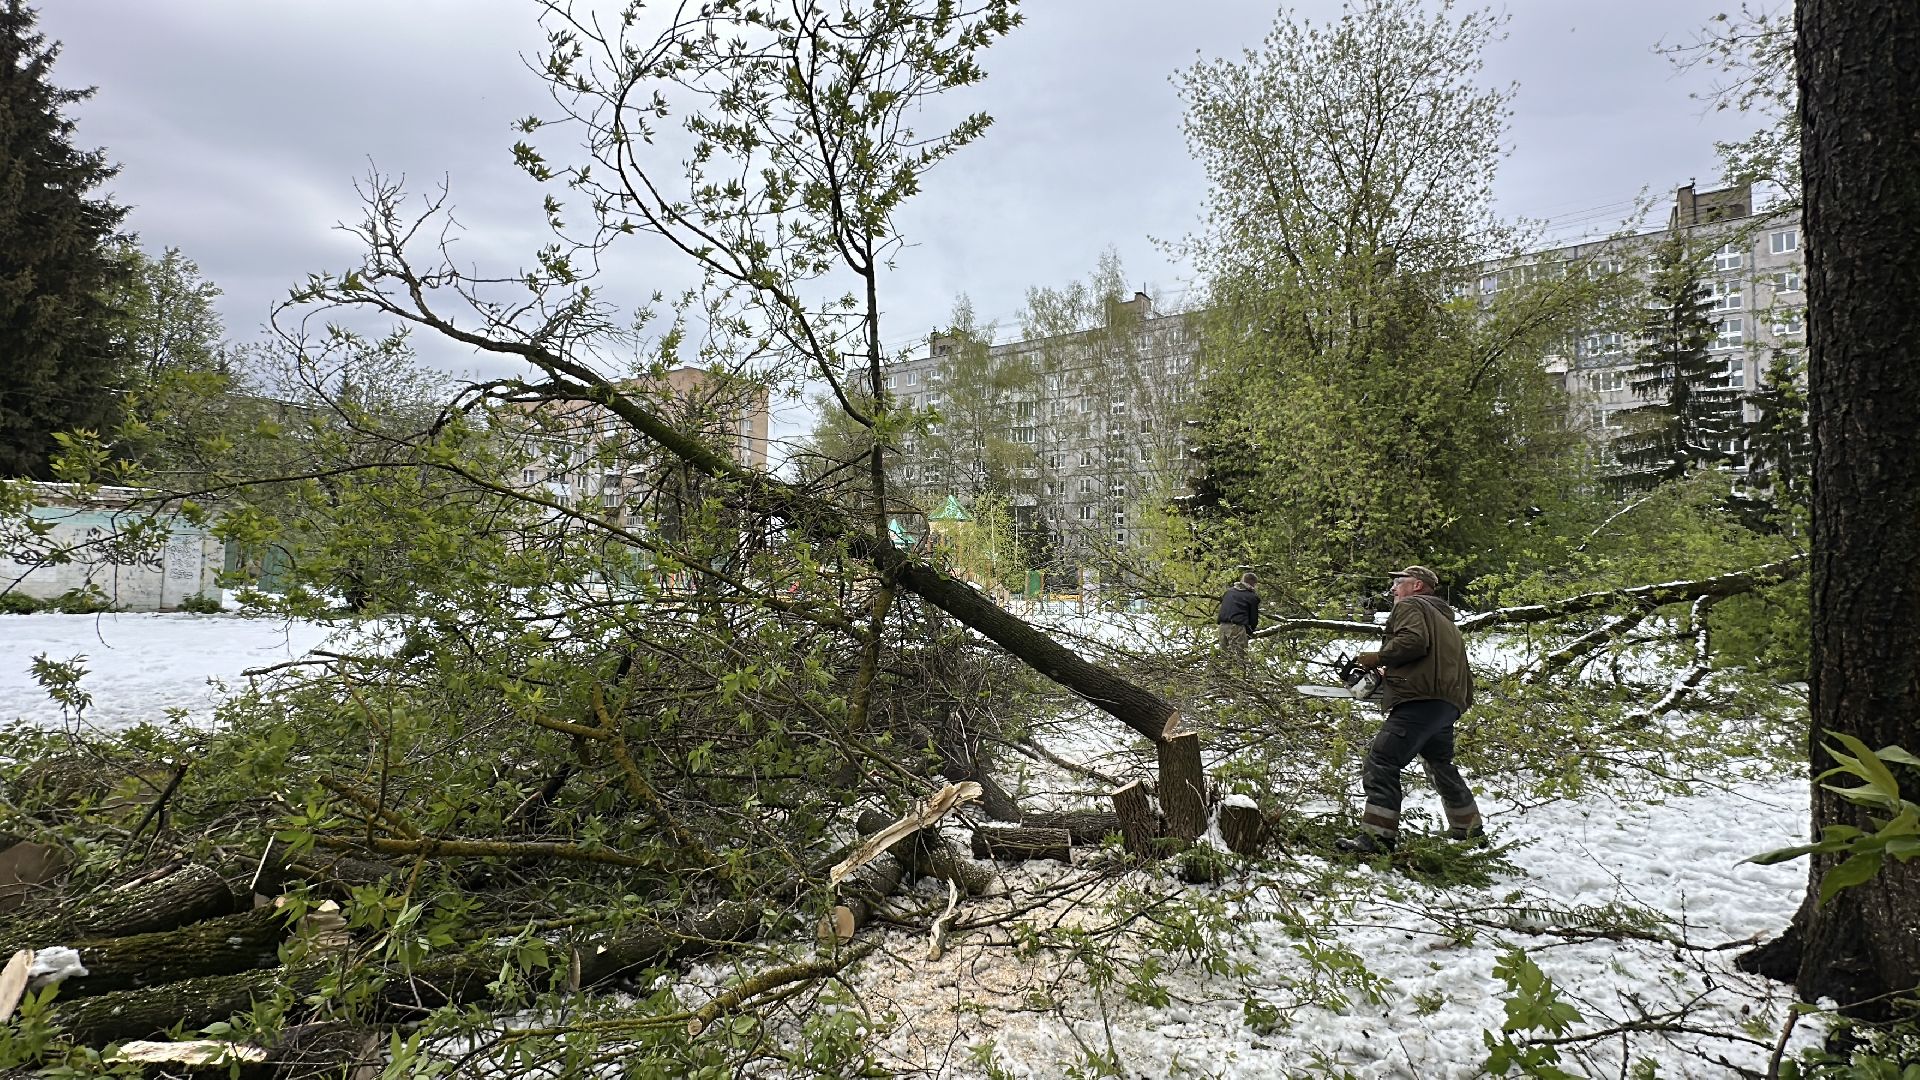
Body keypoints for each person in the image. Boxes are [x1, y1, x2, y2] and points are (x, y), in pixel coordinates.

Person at [1334, 565, 1483, 854]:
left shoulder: (1412, 606)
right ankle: (1469, 829)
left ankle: (1376, 839)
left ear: (1416, 586)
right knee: (1440, 765)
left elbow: (1413, 642)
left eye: (1398, 583)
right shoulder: (1445, 620)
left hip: (1420, 701)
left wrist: (1377, 657)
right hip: (1446, 703)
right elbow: (1432, 659)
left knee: (1382, 760)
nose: (1393, 589)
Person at [1215, 571, 1260, 661]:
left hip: (1222, 627)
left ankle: (1225, 674)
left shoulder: (1229, 592)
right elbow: (1253, 619)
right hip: (1237, 627)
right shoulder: (1252, 596)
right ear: (1252, 583)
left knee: (1225, 658)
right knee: (1240, 659)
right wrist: (1250, 631)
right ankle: (1239, 675)